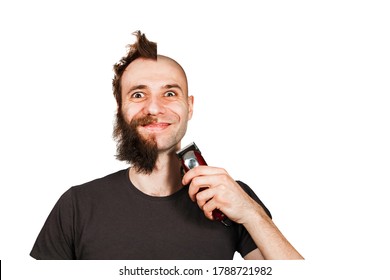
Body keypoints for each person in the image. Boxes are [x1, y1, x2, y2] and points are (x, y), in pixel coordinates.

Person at [30, 31, 304, 260]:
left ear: (190, 107)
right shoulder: (77, 205)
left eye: (170, 93)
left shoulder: (230, 196)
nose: (153, 107)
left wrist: (251, 213)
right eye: (138, 94)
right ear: (120, 109)